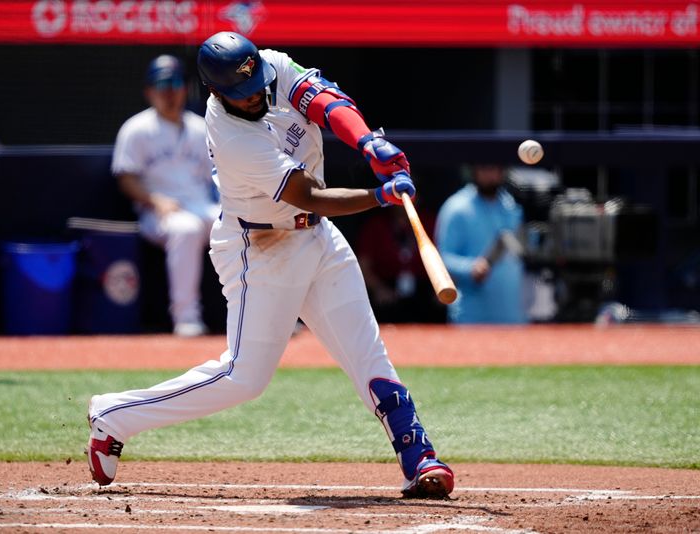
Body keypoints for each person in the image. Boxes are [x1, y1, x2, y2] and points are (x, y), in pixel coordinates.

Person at [86, 31, 455, 499]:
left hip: (317, 238)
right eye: (243, 93)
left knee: (368, 353)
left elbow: (326, 102)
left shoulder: (271, 65)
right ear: (215, 93)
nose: (257, 95)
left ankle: (417, 455)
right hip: (259, 247)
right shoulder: (229, 134)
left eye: (257, 84)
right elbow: (310, 195)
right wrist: (381, 195)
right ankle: (114, 415)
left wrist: (366, 144)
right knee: (244, 377)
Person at [111, 54, 218, 337]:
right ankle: (186, 317)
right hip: (157, 212)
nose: (169, 92)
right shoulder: (136, 129)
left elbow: (219, 178)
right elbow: (126, 178)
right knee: (185, 228)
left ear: (186, 88)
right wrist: (155, 200)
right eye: (162, 85)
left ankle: (262, 316)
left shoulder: (202, 127)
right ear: (149, 91)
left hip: (201, 205)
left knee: (245, 224)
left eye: (175, 83)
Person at [435, 164, 527, 324]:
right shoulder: (456, 207)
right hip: (472, 317)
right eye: (484, 168)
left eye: (494, 168)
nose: (490, 174)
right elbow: (441, 259)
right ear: (474, 171)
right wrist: (470, 267)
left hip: (512, 316)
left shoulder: (512, 206)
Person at [356, 204, 444, 323]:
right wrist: (378, 289)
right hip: (387, 292)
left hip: (424, 291)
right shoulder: (376, 225)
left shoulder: (431, 222)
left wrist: (441, 289)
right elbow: (363, 265)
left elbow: (445, 258)